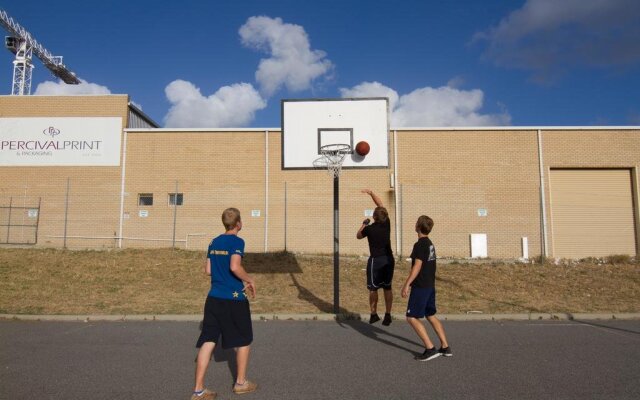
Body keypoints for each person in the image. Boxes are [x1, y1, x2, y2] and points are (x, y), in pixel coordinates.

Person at [191, 208, 257, 399]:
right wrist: (249, 279)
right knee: (244, 339)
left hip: (213, 299)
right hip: (233, 299)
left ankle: (198, 390)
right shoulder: (237, 241)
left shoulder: (214, 241)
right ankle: (241, 382)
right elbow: (235, 266)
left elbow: (208, 270)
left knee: (208, 340)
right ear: (238, 224)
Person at [401, 215, 452, 361]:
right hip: (430, 285)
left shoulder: (420, 245)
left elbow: (417, 266)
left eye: (416, 222)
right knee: (430, 315)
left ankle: (430, 349)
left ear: (418, 226)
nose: (415, 224)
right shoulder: (430, 244)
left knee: (411, 317)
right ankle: (445, 346)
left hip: (421, 286)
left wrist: (407, 284)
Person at [357, 189, 395, 325]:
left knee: (373, 288)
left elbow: (358, 235)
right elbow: (380, 204)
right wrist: (372, 193)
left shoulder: (369, 229)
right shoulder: (387, 223)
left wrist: (364, 223)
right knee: (387, 287)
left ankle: (374, 314)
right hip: (389, 259)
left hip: (376, 261)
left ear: (374, 217)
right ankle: (388, 314)